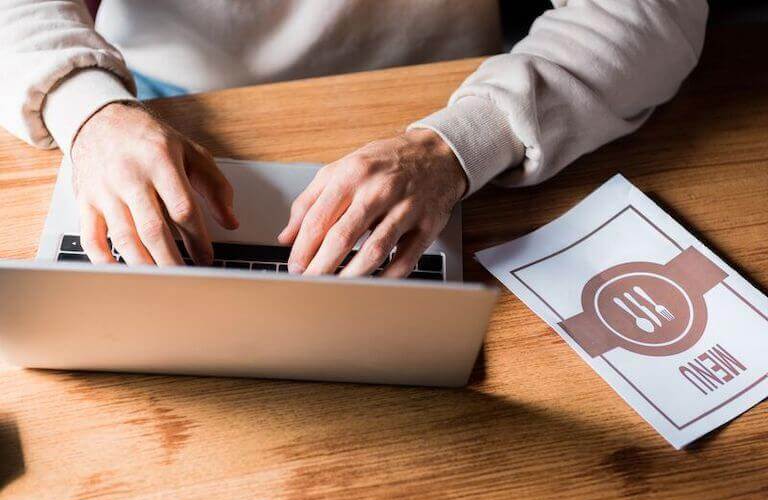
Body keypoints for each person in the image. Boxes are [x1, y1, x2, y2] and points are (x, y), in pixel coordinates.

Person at [0, 1, 708, 277]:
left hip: (456, 119)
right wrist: (87, 110)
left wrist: (460, 142)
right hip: (151, 105)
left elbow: (650, 12)